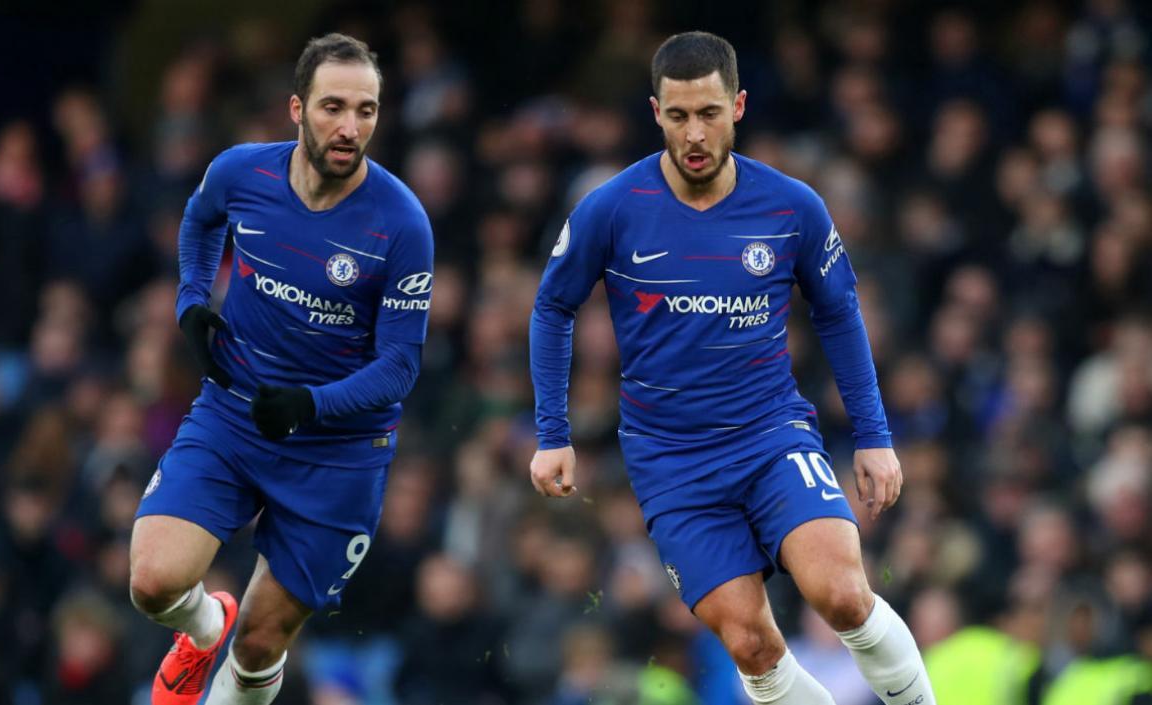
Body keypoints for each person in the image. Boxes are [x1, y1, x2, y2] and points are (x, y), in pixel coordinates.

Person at [529, 31, 936, 705]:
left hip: (770, 434)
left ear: (738, 106)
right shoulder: (613, 208)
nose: (694, 133)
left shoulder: (791, 206)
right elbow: (551, 308)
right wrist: (552, 431)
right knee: (751, 643)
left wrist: (873, 435)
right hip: (671, 461)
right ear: (655, 111)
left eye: (709, 113)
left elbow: (838, 313)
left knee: (839, 594)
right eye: (679, 115)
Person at [128, 33, 435, 705]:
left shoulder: (402, 224)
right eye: (333, 107)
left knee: (264, 642)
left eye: (366, 110)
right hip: (234, 411)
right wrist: (190, 303)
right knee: (152, 582)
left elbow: (401, 364)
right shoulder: (243, 173)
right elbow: (200, 220)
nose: (350, 127)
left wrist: (311, 404)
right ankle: (204, 626)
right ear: (297, 109)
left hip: (340, 449)